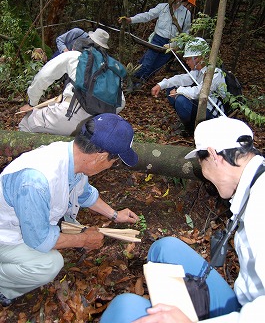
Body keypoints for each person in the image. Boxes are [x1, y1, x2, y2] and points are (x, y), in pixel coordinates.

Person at [100, 116, 265, 323]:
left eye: (200, 160)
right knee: (166, 248)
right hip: (245, 303)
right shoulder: (256, 182)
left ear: (214, 155)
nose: (204, 173)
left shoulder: (260, 208)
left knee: (126, 308)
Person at [0, 113, 139, 307]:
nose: (111, 166)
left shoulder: (71, 157)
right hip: (6, 236)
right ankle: (4, 286)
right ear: (100, 156)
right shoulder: (37, 181)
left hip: (24, 227)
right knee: (49, 265)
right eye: (114, 161)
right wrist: (84, 240)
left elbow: (84, 194)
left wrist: (115, 215)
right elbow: (39, 240)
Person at [18, 28, 126, 136]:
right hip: (97, 125)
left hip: (70, 115)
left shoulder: (75, 56)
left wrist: (32, 103)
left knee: (26, 122)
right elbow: (121, 102)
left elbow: (43, 77)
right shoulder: (111, 68)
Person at [119, 0, 191, 86]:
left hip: (171, 45)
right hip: (157, 40)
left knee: (156, 66)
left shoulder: (186, 14)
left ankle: (140, 83)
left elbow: (185, 33)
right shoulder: (163, 7)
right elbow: (148, 15)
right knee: (146, 63)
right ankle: (131, 82)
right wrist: (131, 20)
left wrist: (176, 46)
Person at [151, 37, 226, 134]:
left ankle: (192, 130)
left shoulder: (215, 73)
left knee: (181, 100)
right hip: (201, 105)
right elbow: (182, 79)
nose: (186, 62)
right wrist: (161, 85)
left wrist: (179, 91)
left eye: (188, 59)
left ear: (199, 58)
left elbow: (200, 92)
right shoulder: (198, 71)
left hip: (212, 113)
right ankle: (188, 123)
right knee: (171, 88)